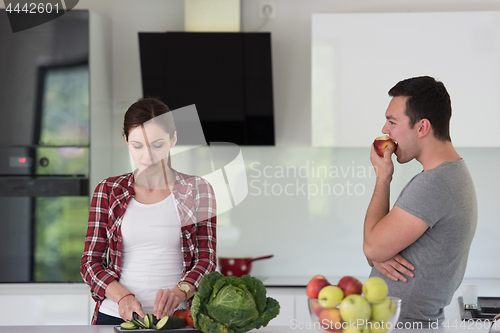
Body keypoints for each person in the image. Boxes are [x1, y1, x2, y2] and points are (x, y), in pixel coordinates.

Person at [80, 97, 217, 325]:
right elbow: (90, 263)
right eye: (138, 146)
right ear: (126, 141)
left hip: (179, 318)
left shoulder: (198, 190)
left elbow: (206, 260)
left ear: (173, 138)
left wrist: (180, 292)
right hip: (115, 316)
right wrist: (123, 297)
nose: (148, 156)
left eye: (157, 144)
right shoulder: (108, 190)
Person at [363, 76, 477, 328]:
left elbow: (372, 247)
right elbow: (375, 250)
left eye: (392, 121)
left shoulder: (434, 184)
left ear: (422, 127)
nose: (385, 129)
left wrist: (383, 178)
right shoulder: (448, 175)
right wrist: (379, 251)